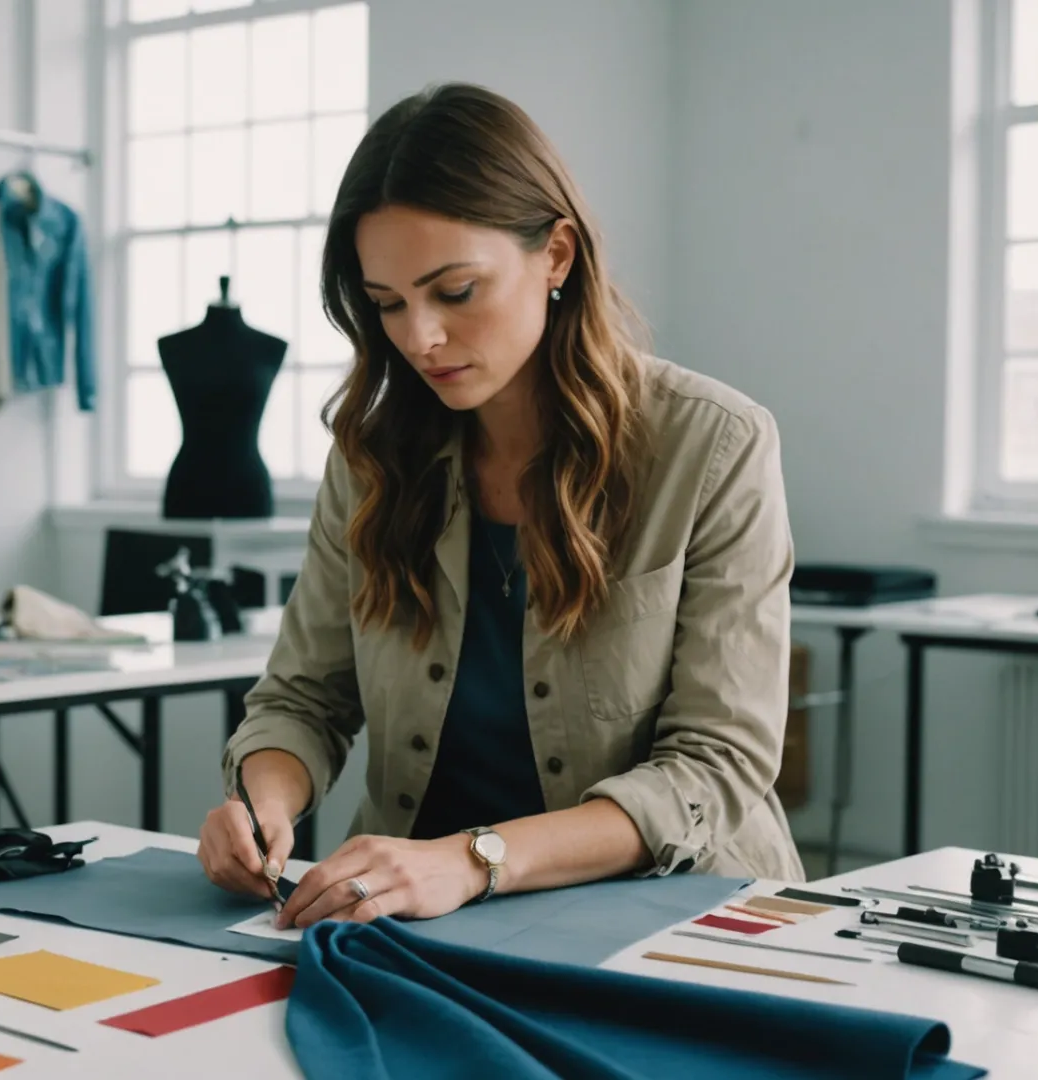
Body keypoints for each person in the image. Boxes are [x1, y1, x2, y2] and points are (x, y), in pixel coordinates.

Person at [198, 82, 804, 930]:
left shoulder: (713, 446)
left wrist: (472, 858)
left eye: (454, 292)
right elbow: (303, 699)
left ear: (556, 255)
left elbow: (717, 765)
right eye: (386, 305)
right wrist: (264, 800)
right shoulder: (373, 459)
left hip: (671, 919)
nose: (418, 338)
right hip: (409, 925)